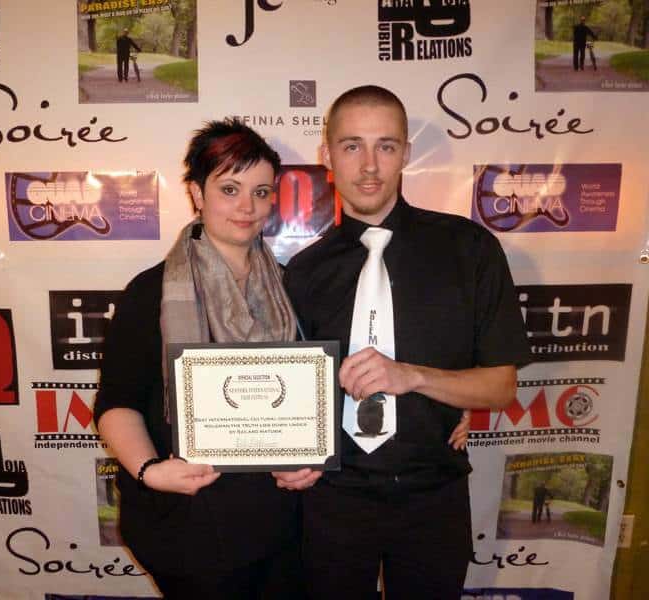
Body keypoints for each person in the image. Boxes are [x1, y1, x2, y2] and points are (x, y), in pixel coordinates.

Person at [282, 85, 531, 599]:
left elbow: (501, 387)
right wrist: (283, 456)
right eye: (352, 146)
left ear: (406, 154)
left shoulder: (469, 250)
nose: (369, 166)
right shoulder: (303, 272)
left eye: (386, 146)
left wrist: (415, 377)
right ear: (327, 155)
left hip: (432, 498)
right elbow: (289, 395)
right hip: (333, 499)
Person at [93, 118, 307, 599]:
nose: (247, 207)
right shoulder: (150, 293)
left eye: (261, 192)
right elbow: (117, 403)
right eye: (229, 189)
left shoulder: (293, 288)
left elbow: (313, 397)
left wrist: (309, 461)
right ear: (196, 192)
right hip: (188, 523)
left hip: (281, 522)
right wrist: (150, 470)